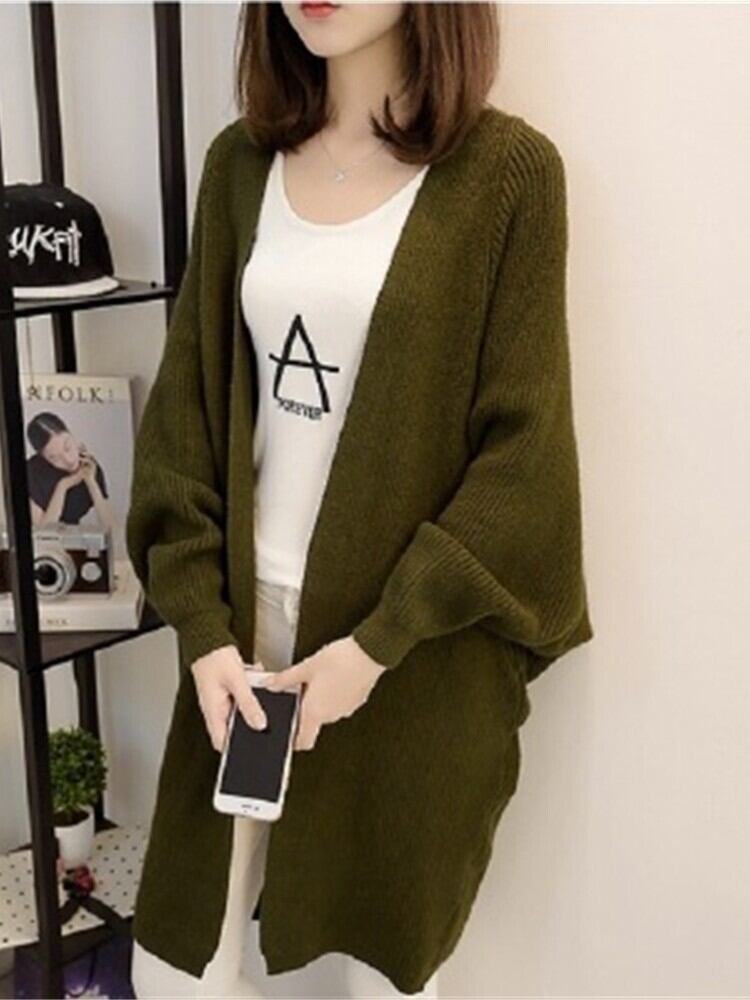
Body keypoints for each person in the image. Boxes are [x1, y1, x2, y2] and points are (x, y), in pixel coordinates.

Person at [126, 2, 594, 997]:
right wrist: (203, 632)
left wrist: (376, 646)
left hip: (402, 655)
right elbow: (184, 418)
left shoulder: (508, 175)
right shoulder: (240, 165)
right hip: (242, 640)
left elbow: (525, 454)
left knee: (383, 970)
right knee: (176, 968)